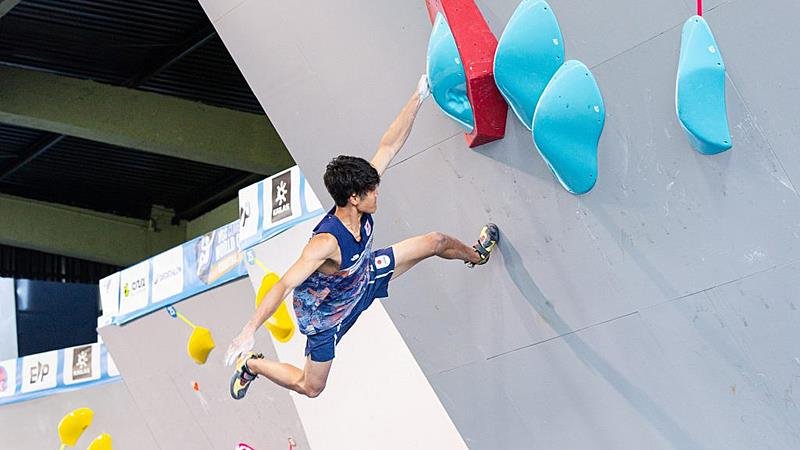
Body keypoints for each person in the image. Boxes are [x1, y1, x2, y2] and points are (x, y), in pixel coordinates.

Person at [224, 75, 499, 399]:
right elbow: (284, 284)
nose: (377, 191)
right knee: (311, 387)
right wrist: (249, 329)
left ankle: (477, 255)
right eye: (372, 190)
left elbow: (389, 145)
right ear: (354, 197)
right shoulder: (326, 243)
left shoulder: (360, 195)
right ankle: (253, 366)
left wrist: (418, 95)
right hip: (326, 313)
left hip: (364, 275)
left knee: (434, 241)